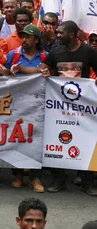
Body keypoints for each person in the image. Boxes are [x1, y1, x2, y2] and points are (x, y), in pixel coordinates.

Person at [40, 20, 97, 194]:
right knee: (56, 141)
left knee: (86, 142)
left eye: (60, 33)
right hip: (59, 107)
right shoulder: (56, 51)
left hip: (83, 108)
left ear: (71, 34)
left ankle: (87, 182)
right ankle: (59, 179)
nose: (57, 35)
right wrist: (45, 71)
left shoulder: (88, 52)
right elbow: (44, 66)